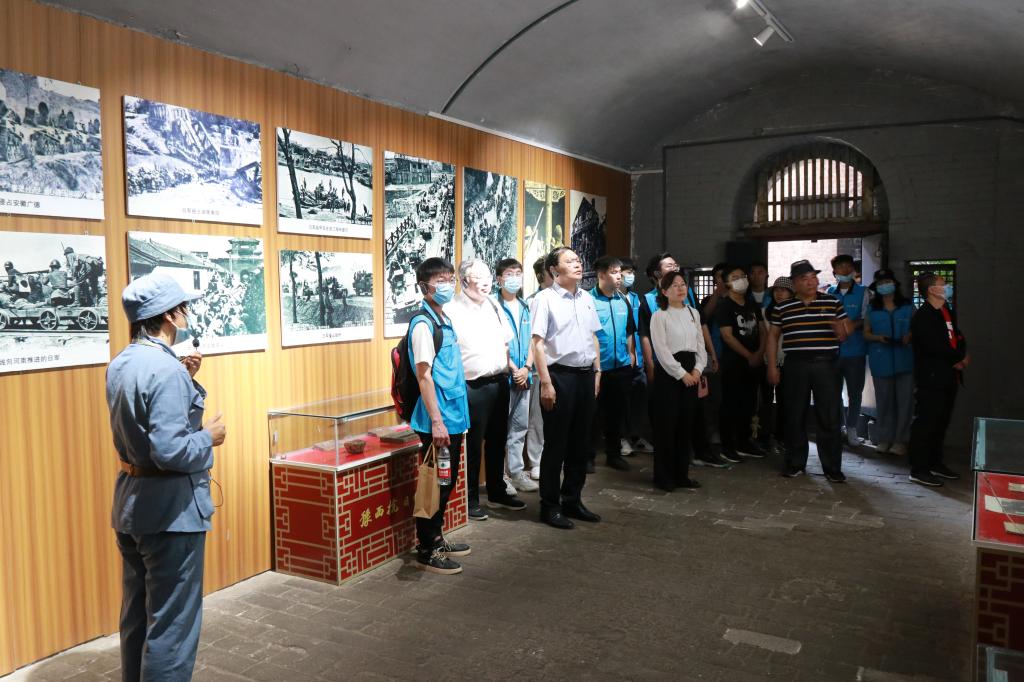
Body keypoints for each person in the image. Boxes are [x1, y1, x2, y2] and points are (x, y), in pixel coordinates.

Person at [107, 273, 227, 681]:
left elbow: (146, 429)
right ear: (170, 316)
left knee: (137, 617)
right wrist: (209, 437)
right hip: (171, 514)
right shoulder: (165, 369)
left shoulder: (121, 363)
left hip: (132, 506)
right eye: (183, 307)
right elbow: (171, 450)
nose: (186, 314)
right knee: (172, 628)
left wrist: (185, 378)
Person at [445, 259, 526, 520]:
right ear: (463, 281)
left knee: (498, 439)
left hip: (499, 381)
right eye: (478, 277)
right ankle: (469, 498)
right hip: (472, 386)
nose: (485, 282)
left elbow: (506, 342)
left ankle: (496, 490)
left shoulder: (493, 304)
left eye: (487, 277)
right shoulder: (451, 309)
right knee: (473, 445)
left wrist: (512, 368)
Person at [406, 257, 472, 573]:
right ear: (424, 286)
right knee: (436, 484)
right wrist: (436, 421)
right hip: (439, 419)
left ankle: (436, 537)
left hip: (453, 414)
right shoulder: (423, 325)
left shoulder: (443, 318)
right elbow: (424, 377)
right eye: (440, 280)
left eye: (449, 278)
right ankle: (427, 548)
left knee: (446, 481)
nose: (447, 285)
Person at [531, 247, 603, 529]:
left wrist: (597, 372)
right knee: (556, 445)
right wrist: (546, 383)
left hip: (586, 375)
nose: (577, 263)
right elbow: (537, 344)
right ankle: (550, 505)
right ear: (554, 269)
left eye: (578, 259)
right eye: (569, 261)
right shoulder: (544, 299)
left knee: (581, 444)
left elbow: (593, 337)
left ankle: (572, 499)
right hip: (559, 376)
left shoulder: (586, 297)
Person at [767, 260, 852, 482]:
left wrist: (839, 328)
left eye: (813, 277)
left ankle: (832, 468)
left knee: (829, 416)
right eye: (804, 279)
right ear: (795, 283)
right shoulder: (783, 307)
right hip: (795, 365)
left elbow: (845, 333)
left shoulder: (832, 301)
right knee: (794, 415)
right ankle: (795, 463)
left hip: (826, 365)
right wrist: (772, 367)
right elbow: (773, 337)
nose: (811, 282)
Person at [907, 273, 967, 487]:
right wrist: (957, 359)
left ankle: (935, 462)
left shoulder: (946, 310)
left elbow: (958, 336)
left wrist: (961, 355)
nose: (947, 287)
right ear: (932, 290)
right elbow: (933, 346)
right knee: (926, 423)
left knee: (941, 422)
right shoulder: (923, 316)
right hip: (932, 377)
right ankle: (919, 469)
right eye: (943, 284)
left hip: (949, 376)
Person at [649, 271, 706, 491]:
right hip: (669, 374)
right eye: (674, 285)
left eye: (683, 284)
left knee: (685, 424)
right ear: (664, 291)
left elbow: (700, 345)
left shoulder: (693, 312)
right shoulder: (659, 315)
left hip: (692, 370)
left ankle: (682, 474)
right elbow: (661, 351)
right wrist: (682, 374)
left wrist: (698, 369)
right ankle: (664, 476)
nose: (681, 288)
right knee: (667, 425)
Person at [589, 255, 636, 471]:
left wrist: (631, 354)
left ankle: (614, 454)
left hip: (621, 367)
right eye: (614, 272)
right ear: (601, 275)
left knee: (616, 414)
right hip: (597, 368)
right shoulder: (589, 300)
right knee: (592, 415)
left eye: (620, 272)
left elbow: (629, 331)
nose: (619, 277)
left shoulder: (622, 300)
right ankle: (587, 457)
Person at [495, 258, 538, 493]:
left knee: (520, 427)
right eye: (509, 274)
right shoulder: (493, 306)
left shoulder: (525, 306)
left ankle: (517, 472)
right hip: (505, 376)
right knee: (501, 428)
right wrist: (513, 368)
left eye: (518, 273)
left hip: (525, 375)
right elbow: (495, 342)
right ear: (499, 279)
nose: (514, 278)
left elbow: (534, 339)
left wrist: (527, 368)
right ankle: (501, 477)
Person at [715, 265, 767, 460]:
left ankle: (744, 442)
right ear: (727, 283)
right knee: (730, 404)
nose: (741, 280)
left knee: (749, 403)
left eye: (742, 276)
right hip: (733, 363)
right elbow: (727, 336)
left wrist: (759, 353)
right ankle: (727, 446)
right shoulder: (725, 305)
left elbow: (763, 330)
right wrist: (749, 355)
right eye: (735, 277)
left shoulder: (751, 304)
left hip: (754, 363)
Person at [863, 269, 914, 456]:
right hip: (881, 359)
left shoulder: (907, 306)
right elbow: (866, 333)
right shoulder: (872, 308)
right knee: (884, 402)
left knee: (905, 402)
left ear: (894, 284)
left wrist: (910, 335)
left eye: (887, 282)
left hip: (905, 360)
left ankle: (901, 441)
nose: (884, 286)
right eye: (881, 283)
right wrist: (878, 338)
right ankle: (885, 438)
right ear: (876, 287)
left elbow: (917, 328)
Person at [827, 254, 870, 446]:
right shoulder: (829, 292)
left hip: (855, 351)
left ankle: (851, 429)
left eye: (847, 266)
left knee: (855, 392)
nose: (844, 270)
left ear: (853, 270)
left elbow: (866, 318)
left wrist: (851, 326)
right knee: (832, 392)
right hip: (833, 352)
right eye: (840, 267)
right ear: (834, 271)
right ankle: (837, 428)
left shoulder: (863, 292)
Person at [618, 257, 653, 456]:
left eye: (632, 272)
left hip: (638, 357)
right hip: (621, 359)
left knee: (638, 398)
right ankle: (621, 437)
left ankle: (635, 435)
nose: (630, 276)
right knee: (621, 401)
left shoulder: (636, 298)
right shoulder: (613, 298)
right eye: (627, 272)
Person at [523, 257, 554, 481]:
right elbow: (532, 339)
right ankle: (536, 461)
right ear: (542, 276)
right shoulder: (532, 301)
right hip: (537, 368)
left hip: (558, 366)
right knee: (537, 419)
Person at [763, 277, 794, 453]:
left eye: (783, 290)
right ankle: (765, 437)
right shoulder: (765, 312)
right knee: (765, 401)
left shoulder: (795, 312)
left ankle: (782, 437)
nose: (779, 293)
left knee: (786, 401)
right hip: (768, 361)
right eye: (776, 290)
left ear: (791, 293)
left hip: (788, 361)